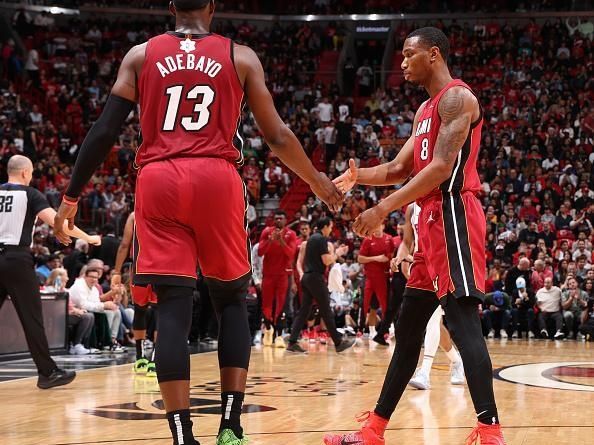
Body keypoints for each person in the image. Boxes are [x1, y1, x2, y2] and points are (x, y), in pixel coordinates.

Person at [53, 2, 343, 444]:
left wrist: (70, 197)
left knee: (171, 306)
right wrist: (319, 183)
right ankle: (230, 426)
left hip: (159, 178)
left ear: (171, 7)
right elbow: (278, 136)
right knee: (230, 301)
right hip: (217, 178)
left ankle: (181, 435)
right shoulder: (240, 55)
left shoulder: (139, 55)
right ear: (212, 7)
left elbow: (105, 130)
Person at [326, 27, 505, 444]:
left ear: (434, 55)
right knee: (407, 332)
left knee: (462, 325)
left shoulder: (459, 99)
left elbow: (441, 167)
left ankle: (490, 431)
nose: (402, 63)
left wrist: (383, 208)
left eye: (409, 55)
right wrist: (354, 178)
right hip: (427, 224)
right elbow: (396, 169)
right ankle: (374, 430)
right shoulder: (424, 110)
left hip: (454, 215)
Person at [0, 155, 100, 389]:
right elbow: (58, 222)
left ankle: (48, 371)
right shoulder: (31, 194)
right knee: (31, 318)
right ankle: (47, 372)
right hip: (16, 259)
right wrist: (88, 237)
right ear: (25, 173)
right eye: (32, 172)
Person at [395, 204, 465, 390]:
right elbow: (407, 242)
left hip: (441, 266)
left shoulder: (441, 203)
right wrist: (400, 257)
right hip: (420, 266)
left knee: (432, 321)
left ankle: (424, 372)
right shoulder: (411, 209)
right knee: (434, 324)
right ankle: (457, 361)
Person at [286, 217, 356, 354]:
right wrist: (338, 253)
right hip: (315, 278)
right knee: (326, 310)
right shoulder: (321, 239)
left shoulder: (311, 239)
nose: (331, 230)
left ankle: (292, 342)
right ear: (325, 226)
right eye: (330, 227)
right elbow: (326, 261)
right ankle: (338, 342)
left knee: (304, 311)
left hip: (307, 277)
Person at [111, 211, 158, 376]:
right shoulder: (167, 209)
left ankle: (140, 358)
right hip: (162, 265)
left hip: (139, 267)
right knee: (159, 311)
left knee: (140, 310)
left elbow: (124, 244)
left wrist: (116, 271)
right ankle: (154, 360)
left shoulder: (134, 215)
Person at [258, 209, 297, 348]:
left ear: (286, 220)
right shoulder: (267, 232)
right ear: (273, 220)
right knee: (267, 305)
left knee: (282, 305)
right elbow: (260, 252)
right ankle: (268, 330)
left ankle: (279, 335)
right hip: (268, 274)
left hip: (282, 275)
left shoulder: (291, 234)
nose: (279, 220)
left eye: (281, 218)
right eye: (277, 218)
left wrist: (281, 242)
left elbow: (291, 254)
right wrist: (270, 240)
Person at [357, 223, 394, 342]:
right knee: (366, 304)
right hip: (369, 277)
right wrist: (376, 258)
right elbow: (360, 258)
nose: (377, 228)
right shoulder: (368, 240)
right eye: (375, 226)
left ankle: (385, 331)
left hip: (383, 277)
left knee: (385, 305)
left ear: (383, 226)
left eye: (378, 225)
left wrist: (390, 264)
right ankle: (362, 330)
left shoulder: (389, 239)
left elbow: (392, 256)